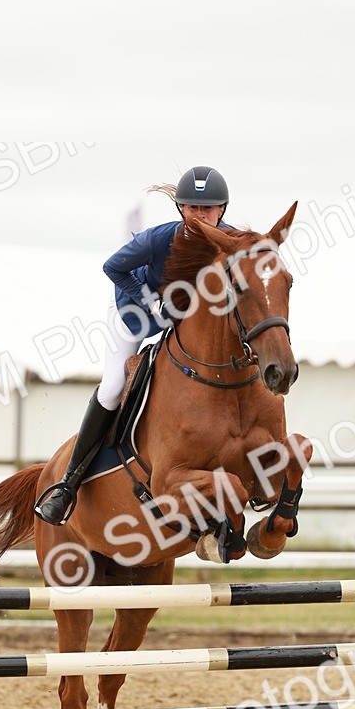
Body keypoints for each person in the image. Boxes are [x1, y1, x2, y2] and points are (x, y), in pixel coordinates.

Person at [34, 165, 231, 525]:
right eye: (192, 208)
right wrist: (150, 300)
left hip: (184, 322)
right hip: (135, 312)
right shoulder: (159, 239)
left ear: (222, 210)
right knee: (112, 388)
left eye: (208, 209)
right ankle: (67, 485)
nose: (200, 216)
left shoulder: (231, 241)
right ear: (180, 210)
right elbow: (113, 267)